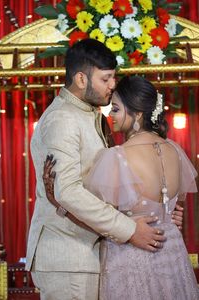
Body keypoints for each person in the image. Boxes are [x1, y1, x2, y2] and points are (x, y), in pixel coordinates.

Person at [26, 39, 168, 300]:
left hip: (85, 253)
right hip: (67, 258)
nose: (113, 85)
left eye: (113, 77)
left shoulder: (89, 116)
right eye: (106, 79)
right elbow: (68, 192)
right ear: (81, 79)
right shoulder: (63, 120)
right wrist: (129, 229)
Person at [43, 75, 198, 300]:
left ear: (138, 114)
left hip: (132, 259)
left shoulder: (117, 157)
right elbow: (173, 210)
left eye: (115, 109)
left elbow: (96, 219)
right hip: (172, 255)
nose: (110, 115)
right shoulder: (175, 150)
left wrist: (57, 200)